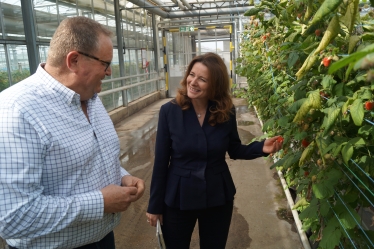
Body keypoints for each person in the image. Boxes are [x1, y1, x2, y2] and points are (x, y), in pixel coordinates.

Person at [0, 16, 145, 249]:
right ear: (74, 60)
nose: (109, 73)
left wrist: (121, 175)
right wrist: (99, 202)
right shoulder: (17, 111)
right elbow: (15, 217)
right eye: (105, 64)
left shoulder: (90, 97)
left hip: (103, 239)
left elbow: (89, 159)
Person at [146, 52, 283, 249]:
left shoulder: (225, 112)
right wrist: (155, 206)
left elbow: (234, 149)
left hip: (217, 195)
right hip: (178, 196)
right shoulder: (170, 111)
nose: (193, 82)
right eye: (192, 75)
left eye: (202, 79)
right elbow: (161, 163)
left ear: (215, 85)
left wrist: (261, 147)